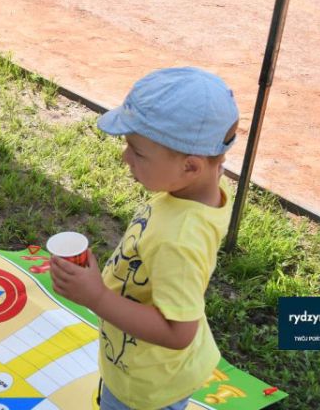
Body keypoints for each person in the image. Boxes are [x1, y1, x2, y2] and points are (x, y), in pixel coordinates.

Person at [50, 67, 240, 410]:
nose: (125, 157)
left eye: (137, 152)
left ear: (190, 167)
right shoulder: (200, 189)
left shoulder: (178, 241)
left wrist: (96, 296)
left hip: (147, 388)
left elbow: (178, 332)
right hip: (140, 362)